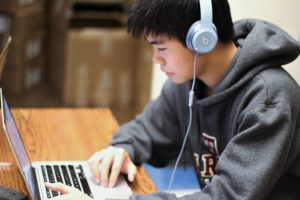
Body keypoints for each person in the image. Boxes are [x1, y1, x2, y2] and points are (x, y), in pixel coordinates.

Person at [46, 0, 300, 199]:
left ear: (203, 39)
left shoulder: (269, 100)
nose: (156, 59)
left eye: (162, 48)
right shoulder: (188, 85)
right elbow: (146, 129)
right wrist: (122, 148)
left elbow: (229, 195)